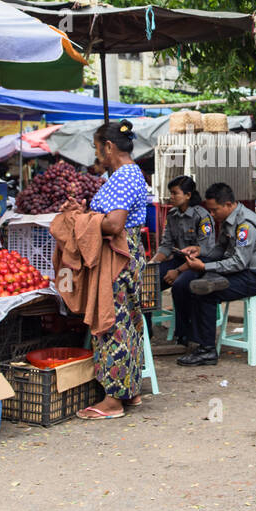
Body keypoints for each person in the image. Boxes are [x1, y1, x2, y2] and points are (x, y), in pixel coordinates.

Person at [60, 120, 150, 420]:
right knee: (129, 319)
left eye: (98, 149)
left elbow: (113, 224)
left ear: (109, 147)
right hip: (128, 253)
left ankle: (113, 401)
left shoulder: (124, 176)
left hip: (118, 256)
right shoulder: (129, 174)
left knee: (111, 320)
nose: (97, 156)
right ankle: (129, 389)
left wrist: (83, 220)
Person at [170, 182, 256, 367]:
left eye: (215, 210)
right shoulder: (228, 221)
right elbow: (220, 248)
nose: (212, 214)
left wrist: (205, 267)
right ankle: (196, 341)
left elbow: (239, 262)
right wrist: (200, 254)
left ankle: (207, 351)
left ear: (228, 205)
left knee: (206, 292)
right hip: (244, 272)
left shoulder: (245, 224)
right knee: (195, 285)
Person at [149, 175, 218, 348]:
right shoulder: (172, 215)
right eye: (170, 193)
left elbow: (205, 251)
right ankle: (145, 332)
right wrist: (152, 264)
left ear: (188, 195)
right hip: (180, 260)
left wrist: (178, 271)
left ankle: (184, 335)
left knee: (180, 285)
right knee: (148, 280)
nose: (171, 197)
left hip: (199, 264)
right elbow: (166, 246)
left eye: (175, 193)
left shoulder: (201, 216)